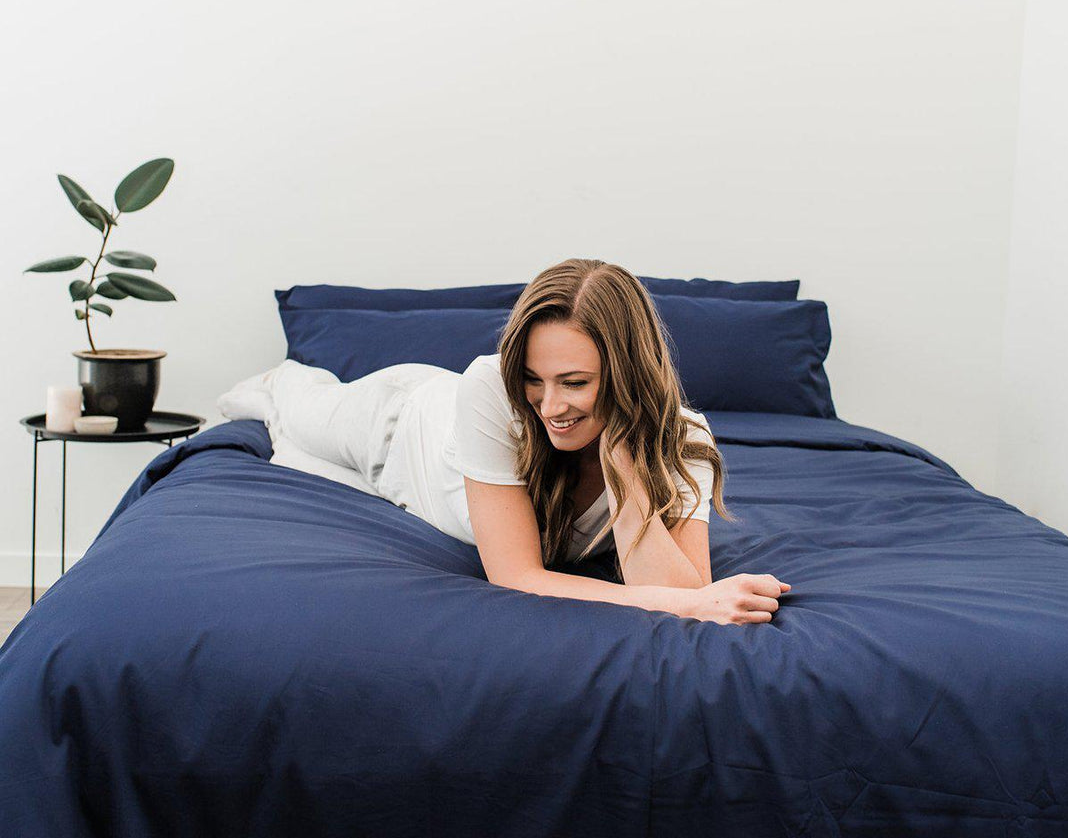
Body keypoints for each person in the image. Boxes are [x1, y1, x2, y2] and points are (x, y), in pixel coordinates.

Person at [234, 258, 792, 626]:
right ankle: (277, 380)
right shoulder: (489, 388)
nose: (548, 407)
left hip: (429, 451)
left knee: (296, 448)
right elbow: (518, 577)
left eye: (575, 383)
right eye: (532, 379)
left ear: (628, 375)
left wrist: (624, 465)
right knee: (290, 403)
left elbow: (684, 588)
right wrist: (691, 604)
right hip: (397, 424)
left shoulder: (684, 437)